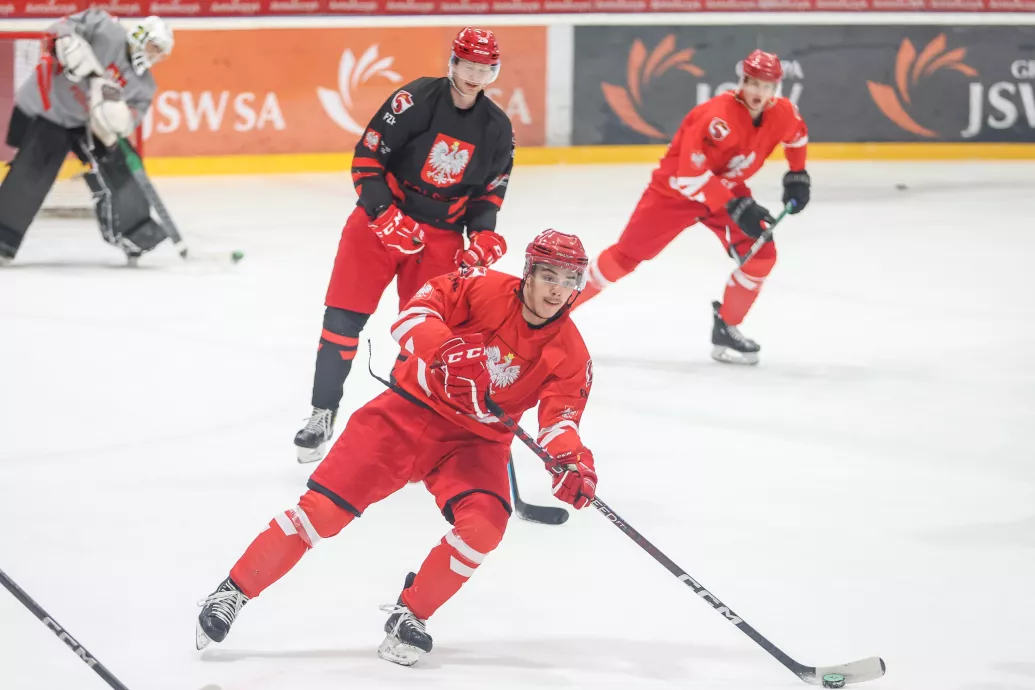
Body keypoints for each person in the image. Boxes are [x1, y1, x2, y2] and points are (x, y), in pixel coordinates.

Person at [197, 230, 597, 667]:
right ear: (528, 273)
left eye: (568, 280)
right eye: (549, 276)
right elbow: (412, 314)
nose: (557, 290)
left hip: (476, 443)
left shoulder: (572, 352)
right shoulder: (481, 286)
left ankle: (411, 615)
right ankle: (232, 592)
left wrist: (570, 461)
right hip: (408, 411)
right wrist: (444, 349)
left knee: (484, 527)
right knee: (321, 513)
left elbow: (560, 421)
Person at [294, 26, 516, 463]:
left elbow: (489, 194)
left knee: (425, 336)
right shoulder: (414, 99)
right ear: (453, 63)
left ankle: (402, 423)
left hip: (441, 237)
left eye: (484, 69)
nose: (474, 76)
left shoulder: (497, 128)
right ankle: (322, 413)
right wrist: (382, 213)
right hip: (379, 224)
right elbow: (367, 158)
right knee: (341, 320)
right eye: (468, 66)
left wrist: (482, 235)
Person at [573, 49, 811, 365]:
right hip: (673, 195)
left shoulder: (783, 113)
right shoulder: (714, 117)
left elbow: (797, 136)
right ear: (742, 81)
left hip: (726, 192)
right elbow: (689, 178)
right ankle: (556, 310)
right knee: (624, 258)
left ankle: (727, 326)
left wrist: (797, 174)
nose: (759, 92)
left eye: (767, 86)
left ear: (776, 88)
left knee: (761, 256)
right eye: (753, 83)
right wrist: (736, 205)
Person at [0, 11, 174, 265]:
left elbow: (130, 121)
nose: (153, 56)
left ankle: (136, 233)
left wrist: (117, 121)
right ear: (140, 36)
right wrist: (66, 42)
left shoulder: (144, 85)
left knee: (120, 167)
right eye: (153, 47)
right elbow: (59, 27)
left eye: (160, 52)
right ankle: (3, 237)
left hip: (91, 125)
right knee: (32, 171)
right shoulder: (104, 28)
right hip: (50, 109)